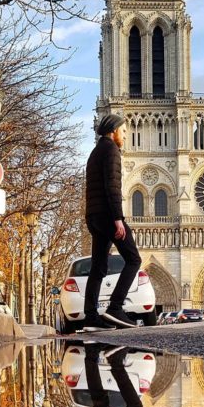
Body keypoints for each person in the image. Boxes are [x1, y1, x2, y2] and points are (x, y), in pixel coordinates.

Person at [83, 114, 142, 332]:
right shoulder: (111, 150)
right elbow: (113, 187)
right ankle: (115, 307)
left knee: (98, 268)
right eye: (124, 131)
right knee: (134, 259)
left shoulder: (95, 152)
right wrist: (118, 218)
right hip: (108, 216)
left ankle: (91, 317)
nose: (126, 136)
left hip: (94, 217)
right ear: (114, 130)